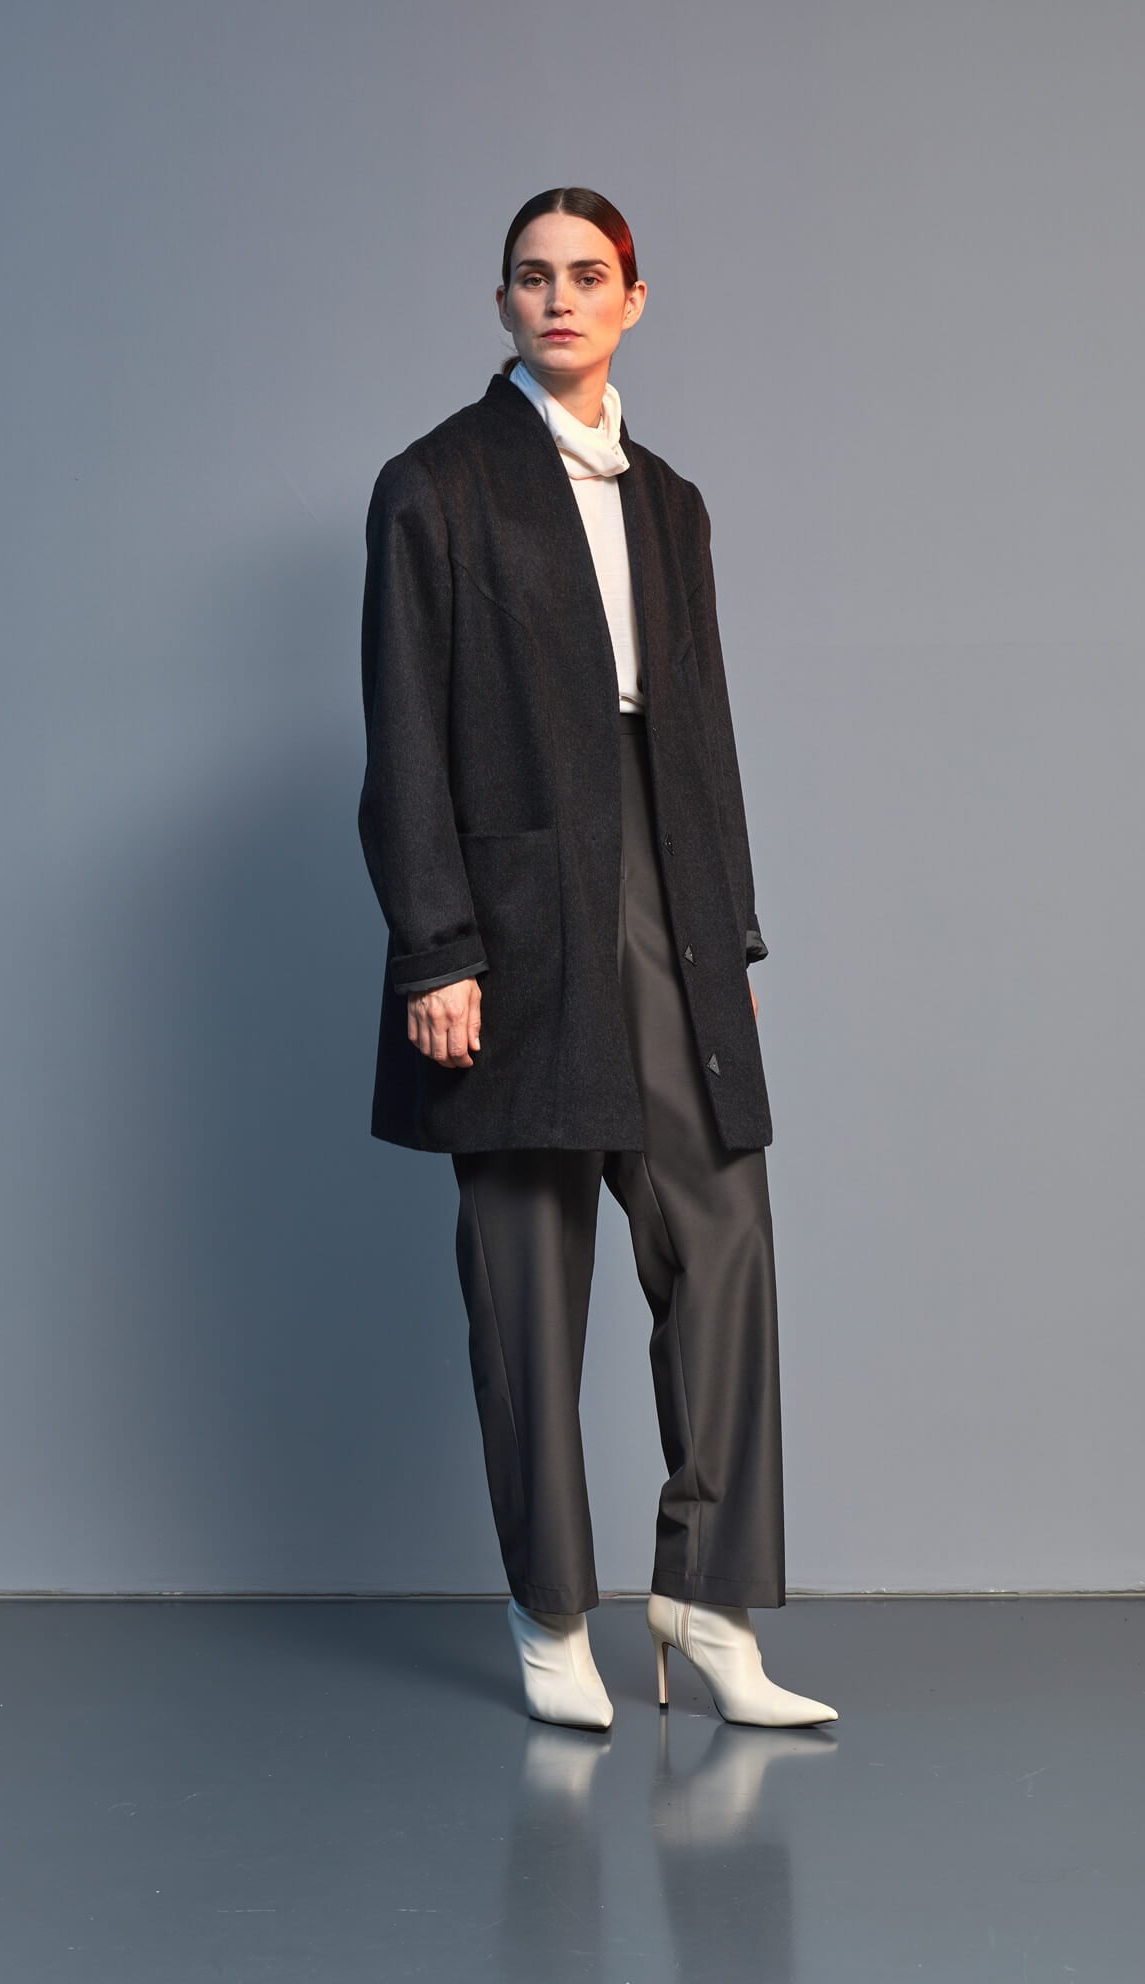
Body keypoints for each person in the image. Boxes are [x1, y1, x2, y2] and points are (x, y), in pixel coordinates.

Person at [357, 187, 836, 1732]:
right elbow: (402, 738)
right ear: (501, 302)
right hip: (509, 920)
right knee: (529, 1279)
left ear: (633, 297)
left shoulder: (670, 501)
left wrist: (725, 933)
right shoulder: (436, 484)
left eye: (585, 275)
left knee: (724, 1239)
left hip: (663, 892)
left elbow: (697, 729)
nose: (557, 299)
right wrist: (434, 949)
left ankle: (707, 1602)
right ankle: (549, 1610)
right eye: (529, 277)